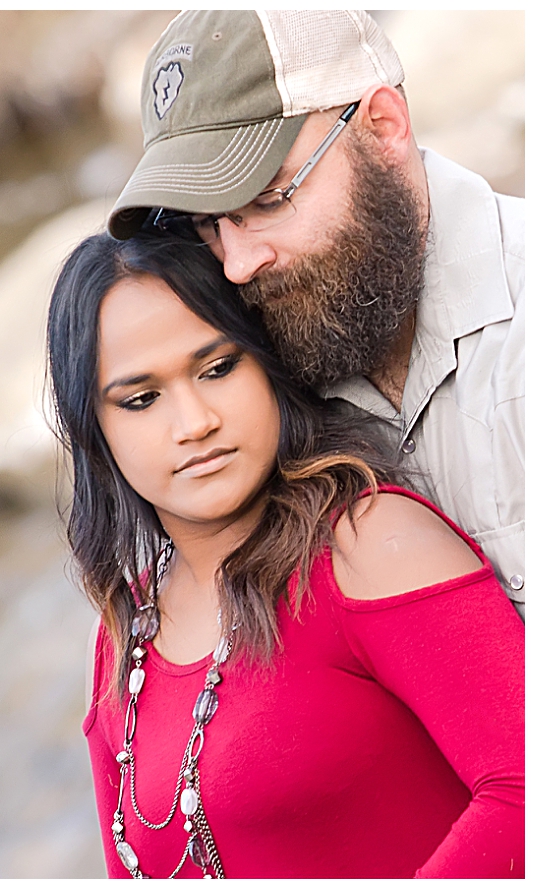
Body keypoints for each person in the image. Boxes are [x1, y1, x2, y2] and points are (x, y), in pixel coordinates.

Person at [45, 231, 523, 878]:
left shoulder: (367, 542)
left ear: (266, 362)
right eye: (140, 398)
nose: (193, 422)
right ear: (93, 430)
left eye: (217, 368)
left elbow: (519, 792)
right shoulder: (122, 636)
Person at [107, 10, 524, 616]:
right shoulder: (253, 373)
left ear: (383, 128)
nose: (237, 264)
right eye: (205, 223)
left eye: (269, 198)